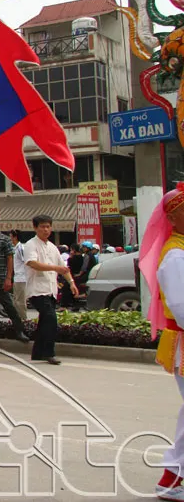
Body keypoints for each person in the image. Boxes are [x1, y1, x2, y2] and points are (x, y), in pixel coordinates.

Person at [138, 182, 184, 500]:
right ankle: (172, 479)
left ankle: (173, 477)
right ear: (175, 217)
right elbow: (182, 307)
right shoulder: (176, 256)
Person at [23, 214, 76, 365]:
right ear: (35, 228)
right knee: (51, 319)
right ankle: (49, 353)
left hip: (51, 289)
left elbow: (63, 268)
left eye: (48, 227)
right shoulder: (31, 245)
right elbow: (33, 263)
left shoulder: (52, 247)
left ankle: (37, 353)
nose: (46, 230)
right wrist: (55, 268)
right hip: (37, 290)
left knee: (45, 321)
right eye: (42, 227)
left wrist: (71, 282)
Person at [10, 231, 28, 321]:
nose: (10, 239)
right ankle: (18, 319)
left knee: (20, 301)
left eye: (11, 237)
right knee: (16, 300)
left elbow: (26, 262)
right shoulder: (15, 248)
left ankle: (23, 319)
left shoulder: (21, 248)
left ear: (15, 237)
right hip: (17, 277)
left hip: (21, 277)